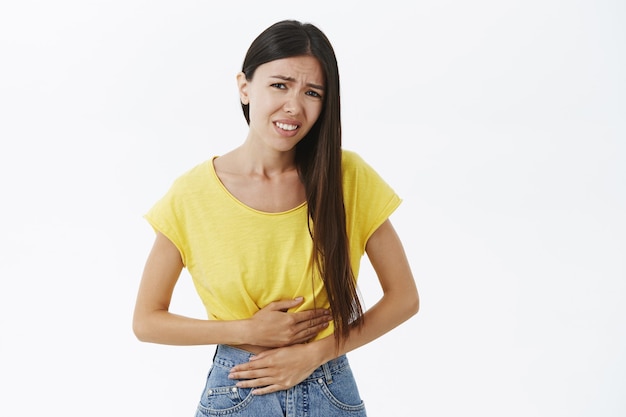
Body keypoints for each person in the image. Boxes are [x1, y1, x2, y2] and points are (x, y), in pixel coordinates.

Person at [132, 19, 419, 417]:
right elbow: (147, 321)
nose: (294, 106)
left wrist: (316, 353)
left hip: (328, 387)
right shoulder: (192, 194)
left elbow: (404, 297)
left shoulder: (346, 177)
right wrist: (245, 330)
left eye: (312, 92)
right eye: (279, 85)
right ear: (245, 87)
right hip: (236, 389)